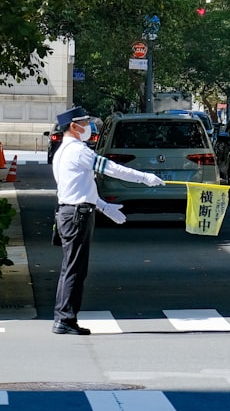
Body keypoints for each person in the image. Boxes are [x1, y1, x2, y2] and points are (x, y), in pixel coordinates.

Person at [51, 106, 165, 335]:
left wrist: (103, 206)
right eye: (84, 123)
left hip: (71, 212)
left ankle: (65, 318)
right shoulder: (78, 151)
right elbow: (110, 169)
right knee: (74, 269)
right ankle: (64, 319)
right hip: (77, 215)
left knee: (71, 268)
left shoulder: (63, 151)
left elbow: (79, 187)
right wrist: (144, 178)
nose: (88, 127)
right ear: (73, 126)